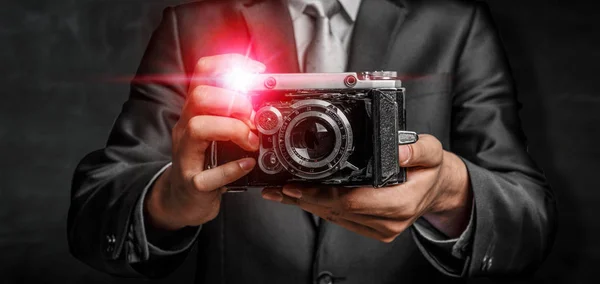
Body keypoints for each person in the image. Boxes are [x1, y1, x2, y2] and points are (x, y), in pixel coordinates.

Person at [68, 0, 556, 282]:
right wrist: (169, 200)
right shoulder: (193, 24)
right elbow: (94, 212)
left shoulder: (454, 22)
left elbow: (529, 221)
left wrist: (452, 191)